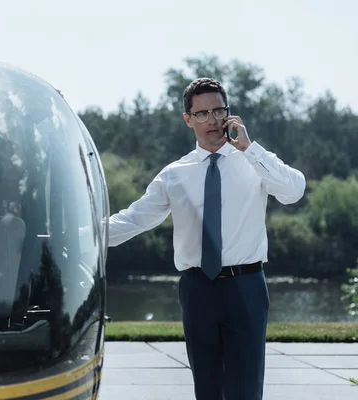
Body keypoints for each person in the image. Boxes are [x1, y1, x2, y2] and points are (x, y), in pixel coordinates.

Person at [107, 77, 306, 399]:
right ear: (188, 119)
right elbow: (133, 219)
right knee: (207, 389)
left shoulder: (254, 161)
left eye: (219, 111)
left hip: (246, 287)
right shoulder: (175, 174)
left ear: (229, 114)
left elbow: (293, 192)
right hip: (197, 289)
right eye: (202, 113)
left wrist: (250, 148)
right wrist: (77, 236)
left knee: (245, 389)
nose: (212, 120)